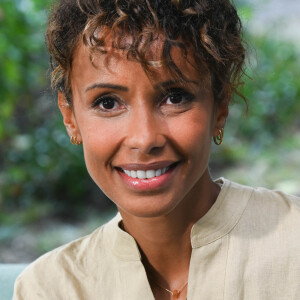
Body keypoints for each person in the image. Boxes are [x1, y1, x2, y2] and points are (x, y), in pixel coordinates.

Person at [13, 0, 300, 299]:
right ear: (70, 117)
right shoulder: (50, 288)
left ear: (220, 107)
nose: (144, 137)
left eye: (175, 98)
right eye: (108, 102)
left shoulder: (294, 246)